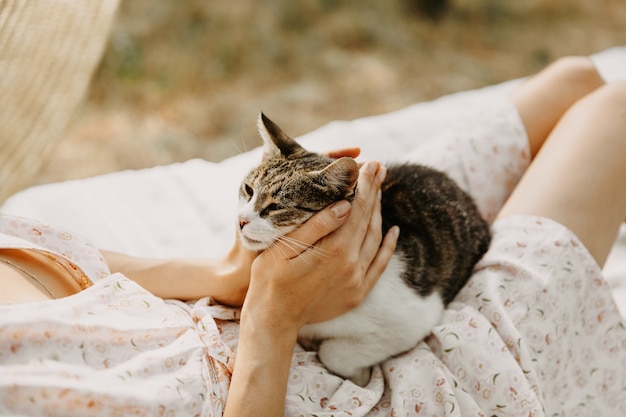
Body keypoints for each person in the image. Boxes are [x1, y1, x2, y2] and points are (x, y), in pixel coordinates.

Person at [1, 55, 625, 416]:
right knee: (613, 112)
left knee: (573, 80)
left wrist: (229, 278)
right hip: (343, 383)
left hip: (257, 289)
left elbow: (66, 263)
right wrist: (273, 315)